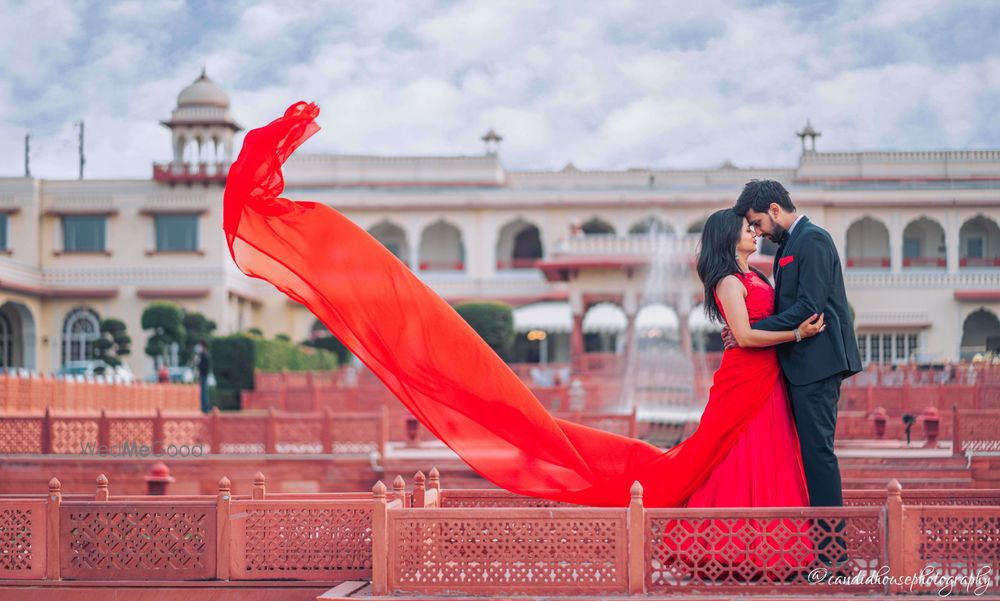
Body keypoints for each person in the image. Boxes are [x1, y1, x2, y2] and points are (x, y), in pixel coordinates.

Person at [221, 103, 824, 514]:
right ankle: (733, 537)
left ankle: (752, 535)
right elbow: (746, 333)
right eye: (747, 228)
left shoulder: (758, 267)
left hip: (760, 384)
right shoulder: (729, 277)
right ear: (731, 238)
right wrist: (795, 330)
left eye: (754, 226)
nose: (754, 233)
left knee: (737, 457)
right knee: (696, 461)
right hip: (750, 374)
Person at [730, 180, 863, 508]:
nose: (758, 232)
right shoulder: (790, 247)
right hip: (801, 366)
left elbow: (808, 307)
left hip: (818, 364)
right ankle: (816, 542)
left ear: (775, 209)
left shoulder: (813, 239)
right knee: (806, 455)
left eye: (758, 222)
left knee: (818, 454)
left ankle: (832, 552)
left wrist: (750, 329)